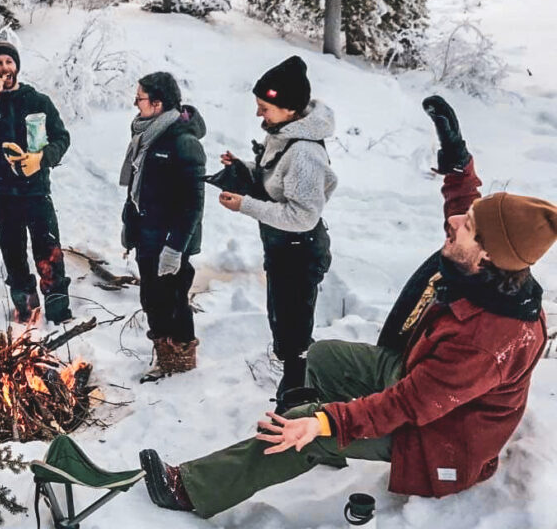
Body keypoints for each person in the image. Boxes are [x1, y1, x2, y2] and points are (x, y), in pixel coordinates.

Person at [138, 96, 555, 519]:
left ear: (485, 254)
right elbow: (465, 205)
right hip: (420, 378)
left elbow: (410, 405)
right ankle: (302, 448)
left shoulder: (490, 341)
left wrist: (324, 424)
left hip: (439, 436)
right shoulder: (492, 267)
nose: (454, 222)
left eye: (468, 226)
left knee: (309, 424)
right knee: (322, 359)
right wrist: (456, 155)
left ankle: (192, 488)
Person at [216, 55, 336, 398]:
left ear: (290, 109)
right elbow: (276, 177)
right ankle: (295, 376)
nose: (258, 114)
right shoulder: (282, 134)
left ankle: (298, 396)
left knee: (294, 331)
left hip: (300, 251)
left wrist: (246, 205)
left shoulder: (305, 153)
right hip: (283, 248)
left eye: (264, 107)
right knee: (283, 324)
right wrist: (243, 168)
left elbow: (303, 216)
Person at [0, 41, 74, 325]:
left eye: (8, 62)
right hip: (3, 193)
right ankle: (26, 308)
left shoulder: (38, 100)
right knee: (13, 252)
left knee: (48, 250)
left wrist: (42, 159)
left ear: (17, 66)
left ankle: (58, 310)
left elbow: (62, 138)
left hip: (37, 190)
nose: (4, 68)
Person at [119, 72, 206, 382]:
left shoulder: (183, 142)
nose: (135, 104)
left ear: (157, 104)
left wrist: (175, 247)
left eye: (140, 98)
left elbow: (193, 203)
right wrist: (131, 223)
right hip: (148, 233)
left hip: (169, 239)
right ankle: (165, 357)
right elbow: (140, 187)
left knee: (173, 300)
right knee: (152, 299)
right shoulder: (147, 135)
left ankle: (181, 362)